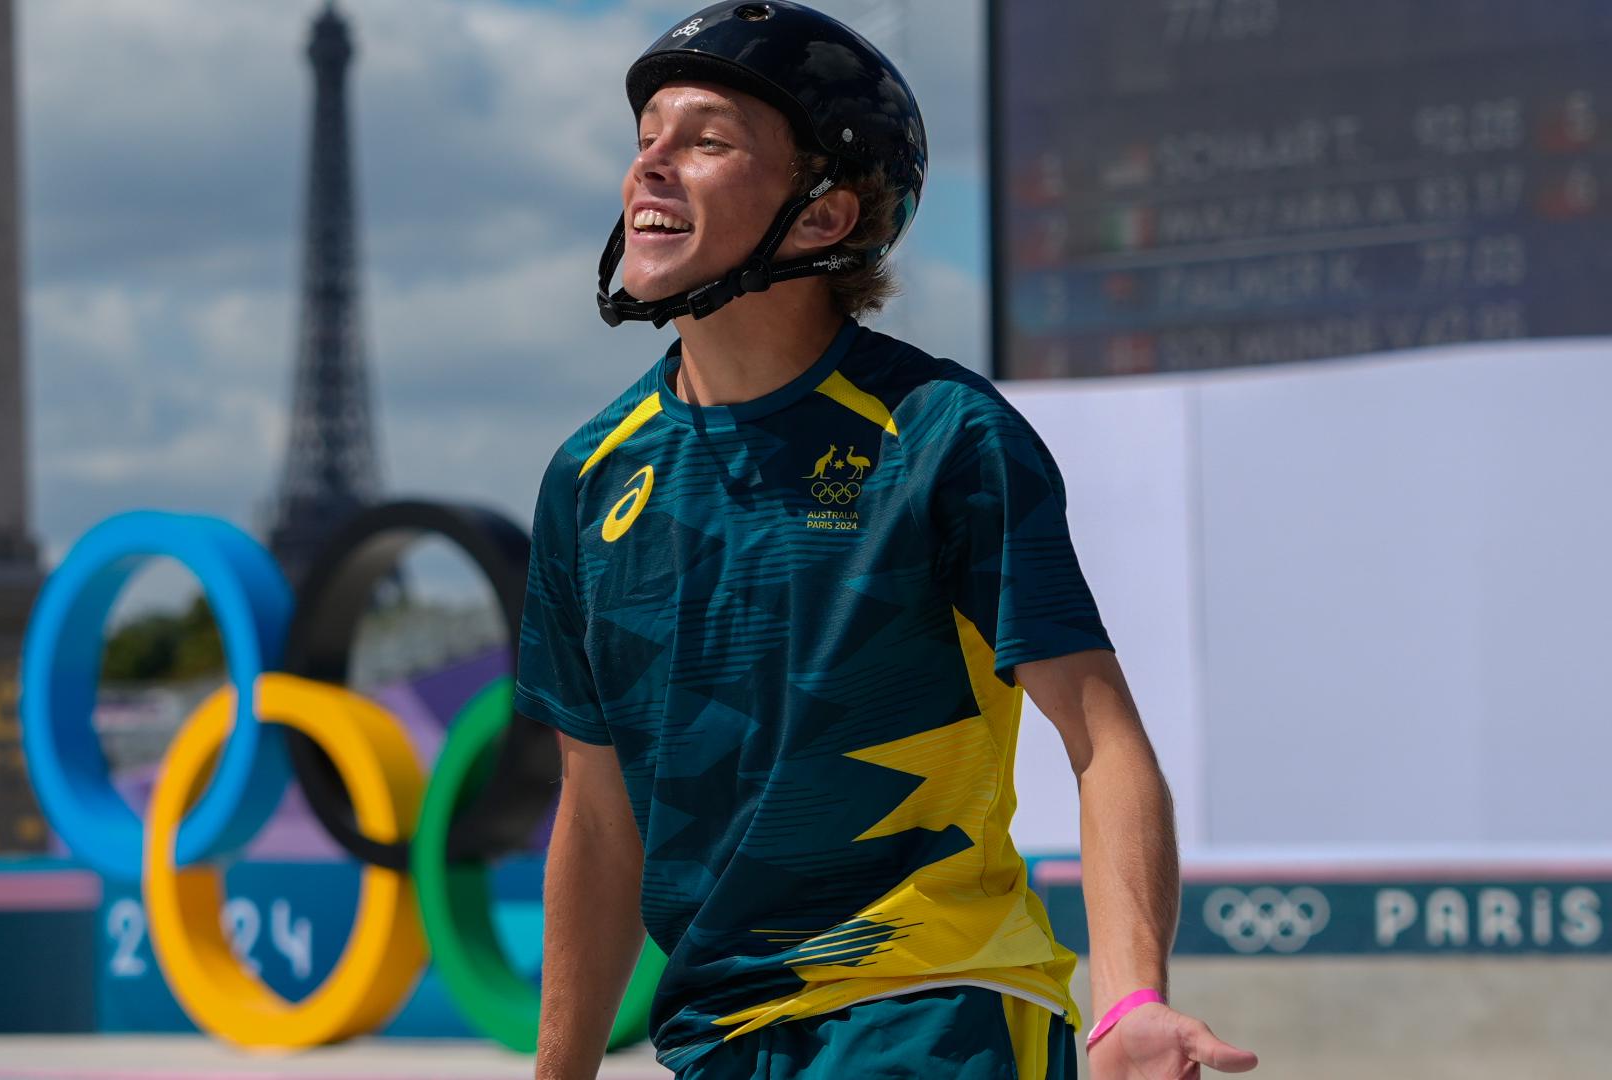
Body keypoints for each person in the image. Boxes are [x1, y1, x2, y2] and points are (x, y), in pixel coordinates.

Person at [515, 4, 1259, 1078]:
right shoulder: (588, 478)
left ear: (824, 217)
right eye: (646, 143)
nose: (652, 170)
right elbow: (597, 818)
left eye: (707, 142)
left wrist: (1131, 994)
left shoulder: (946, 437)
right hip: (718, 1041)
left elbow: (1104, 742)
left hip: (930, 1010)